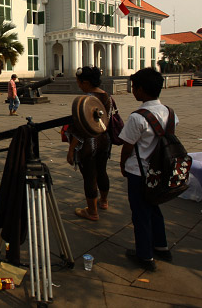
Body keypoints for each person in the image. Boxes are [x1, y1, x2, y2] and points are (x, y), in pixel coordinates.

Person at [118, 68, 174, 272]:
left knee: (140, 213)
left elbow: (128, 145)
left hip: (139, 172)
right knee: (154, 208)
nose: (133, 91)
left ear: (141, 90)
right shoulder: (169, 112)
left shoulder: (138, 117)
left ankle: (145, 255)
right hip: (160, 171)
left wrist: (123, 164)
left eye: (134, 87)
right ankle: (161, 245)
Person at [66, 67, 112, 221]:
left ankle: (92, 211)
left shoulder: (85, 101)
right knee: (102, 171)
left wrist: (71, 149)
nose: (78, 85)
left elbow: (80, 129)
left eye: (79, 82)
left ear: (85, 82)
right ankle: (104, 201)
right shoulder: (107, 97)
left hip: (89, 143)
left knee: (90, 176)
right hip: (104, 139)